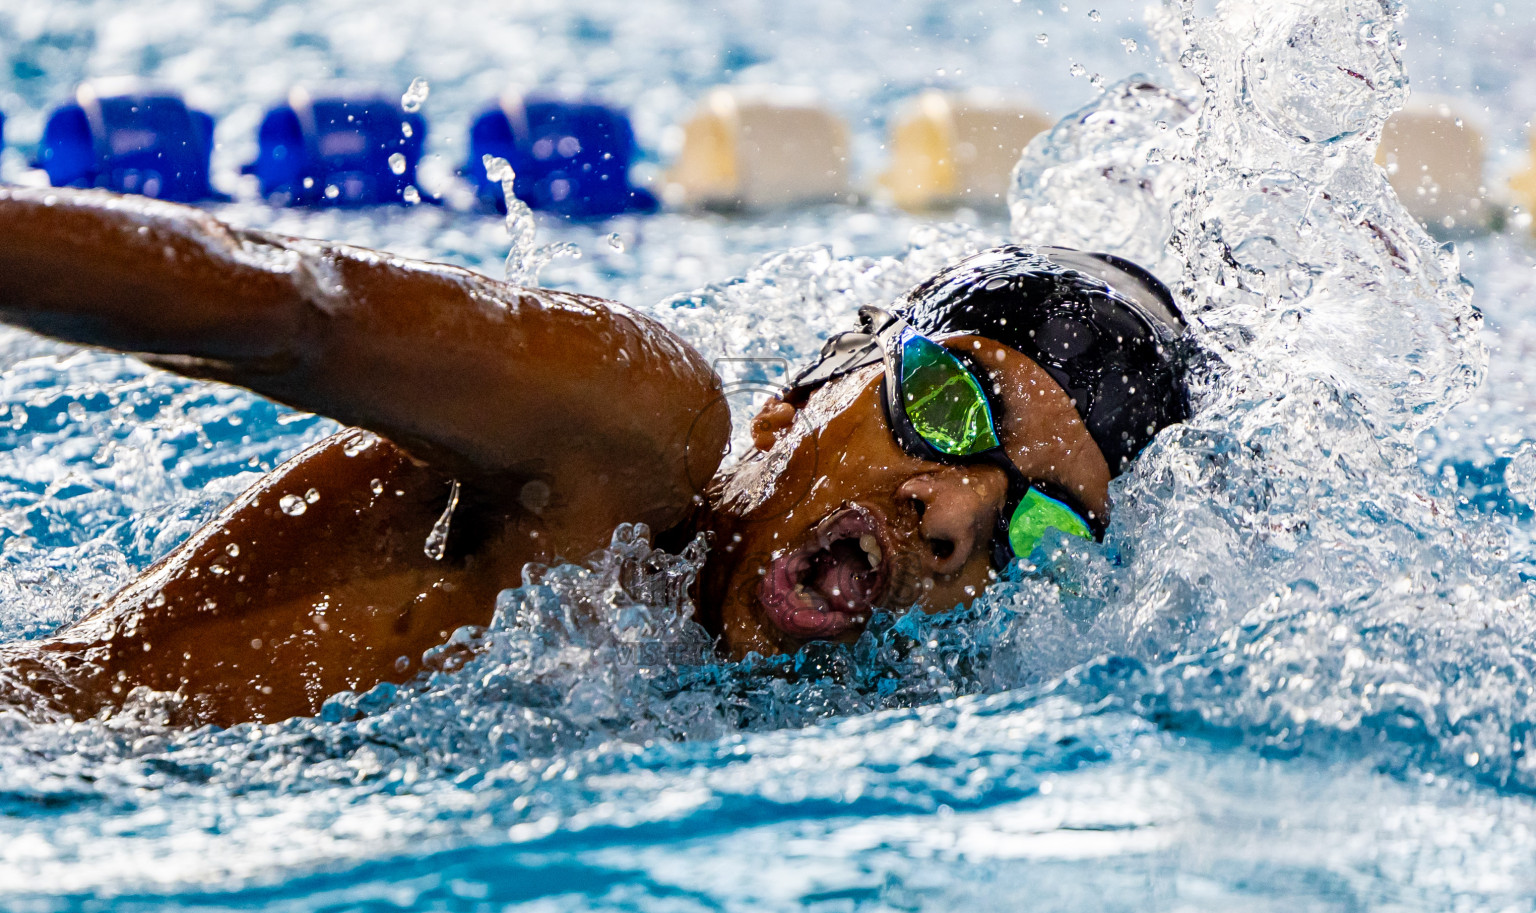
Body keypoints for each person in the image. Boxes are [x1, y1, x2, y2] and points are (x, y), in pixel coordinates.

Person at [0, 186, 1189, 726]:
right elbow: (286, 309)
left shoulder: (829, 715)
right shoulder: (632, 437)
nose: (952, 519)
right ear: (812, 387)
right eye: (946, 402)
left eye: (1037, 526)